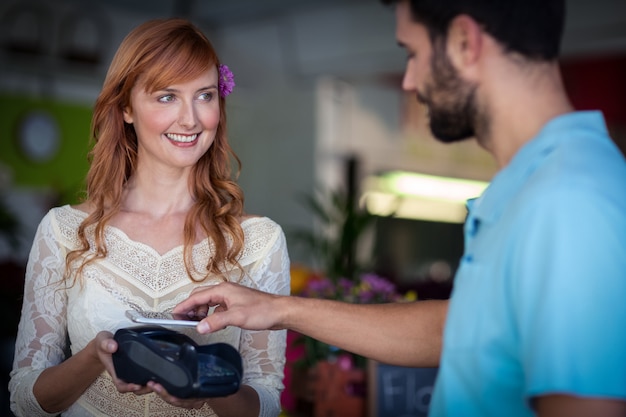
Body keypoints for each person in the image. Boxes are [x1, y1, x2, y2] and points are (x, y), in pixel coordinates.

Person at [173, 1, 626, 416]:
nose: (409, 81)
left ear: (466, 42)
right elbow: (450, 331)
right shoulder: (531, 187)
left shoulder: (568, 200)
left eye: (413, 53)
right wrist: (279, 309)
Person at [9, 18, 290, 417]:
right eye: (166, 97)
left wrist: (208, 388)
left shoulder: (259, 242)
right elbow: (24, 400)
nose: (191, 119)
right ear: (125, 107)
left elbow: (267, 401)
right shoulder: (66, 231)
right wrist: (93, 357)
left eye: (204, 96)